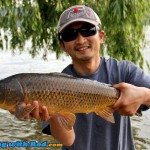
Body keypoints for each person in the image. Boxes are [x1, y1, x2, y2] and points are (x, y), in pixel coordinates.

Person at [18, 5, 150, 150]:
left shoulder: (124, 71)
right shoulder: (53, 84)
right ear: (62, 45)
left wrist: (143, 95)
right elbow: (68, 141)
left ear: (101, 36)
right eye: (70, 34)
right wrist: (52, 113)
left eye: (88, 31)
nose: (80, 40)